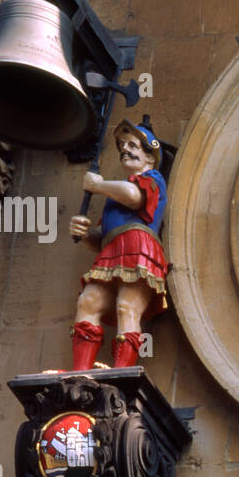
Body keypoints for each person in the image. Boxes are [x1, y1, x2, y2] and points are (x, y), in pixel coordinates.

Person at [68, 119, 170, 369]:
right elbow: (102, 237)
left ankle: (121, 371)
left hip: (138, 245)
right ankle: (80, 371)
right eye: (122, 146)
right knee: (89, 301)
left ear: (150, 156)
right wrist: (84, 233)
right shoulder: (116, 195)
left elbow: (135, 198)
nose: (126, 149)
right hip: (113, 248)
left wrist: (98, 185)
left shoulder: (152, 178)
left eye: (133, 145)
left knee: (126, 306)